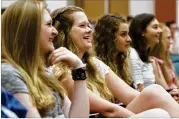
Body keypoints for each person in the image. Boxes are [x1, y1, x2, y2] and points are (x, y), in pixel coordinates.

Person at [51, 6, 179, 117]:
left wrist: (165, 98)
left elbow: (134, 97)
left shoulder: (94, 63)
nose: (90, 30)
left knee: (155, 92)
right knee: (158, 109)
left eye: (89, 25)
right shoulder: (60, 69)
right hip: (102, 116)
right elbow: (109, 110)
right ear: (65, 33)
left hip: (116, 114)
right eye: (82, 26)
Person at [1, 0, 89, 118]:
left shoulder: (45, 73)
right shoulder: (8, 73)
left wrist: (78, 68)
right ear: (29, 30)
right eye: (49, 24)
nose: (55, 31)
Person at [149, 23, 179, 103]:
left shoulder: (168, 59)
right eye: (168, 38)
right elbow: (166, 91)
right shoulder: (154, 62)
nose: (171, 42)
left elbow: (177, 84)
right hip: (170, 100)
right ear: (159, 41)